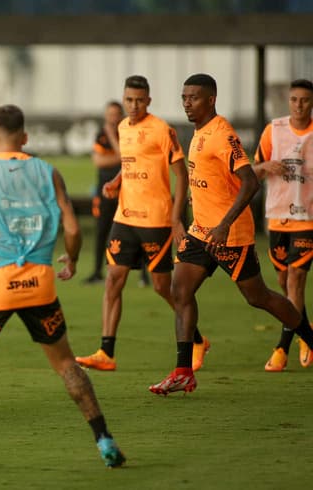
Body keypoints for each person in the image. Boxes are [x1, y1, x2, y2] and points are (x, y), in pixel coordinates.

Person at [0, 104, 125, 472]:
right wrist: (73, 259)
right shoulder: (48, 172)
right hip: (39, 284)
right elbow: (73, 228)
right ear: (26, 138)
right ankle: (104, 440)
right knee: (66, 364)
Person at [149, 73, 313, 395]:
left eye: (193, 97)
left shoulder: (223, 135)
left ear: (210, 99)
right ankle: (183, 371)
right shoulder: (197, 133)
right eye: (184, 97)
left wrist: (224, 224)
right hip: (201, 232)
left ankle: (308, 336)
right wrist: (184, 221)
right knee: (180, 291)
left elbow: (250, 182)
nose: (187, 103)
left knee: (258, 297)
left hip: (230, 233)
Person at [75, 75, 209, 372]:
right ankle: (105, 351)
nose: (133, 105)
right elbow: (130, 163)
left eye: (139, 100)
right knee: (113, 281)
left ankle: (197, 338)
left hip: (156, 220)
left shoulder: (162, 130)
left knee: (164, 288)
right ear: (124, 101)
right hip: (124, 217)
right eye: (129, 100)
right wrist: (116, 180)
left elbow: (181, 175)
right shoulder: (122, 128)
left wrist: (176, 220)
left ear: (148, 100)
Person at [254, 78, 313, 372]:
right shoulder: (273, 131)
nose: (299, 105)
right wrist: (265, 167)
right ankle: (304, 328)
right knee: (283, 284)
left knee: (295, 280)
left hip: (308, 220)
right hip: (277, 217)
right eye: (294, 100)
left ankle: (282, 348)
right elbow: (252, 172)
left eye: (304, 100)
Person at [83, 101, 150, 287]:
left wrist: (114, 144)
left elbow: (127, 156)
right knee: (102, 230)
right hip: (104, 191)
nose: (112, 118)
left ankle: (144, 275)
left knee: (138, 232)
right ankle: (97, 272)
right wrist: (120, 158)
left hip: (129, 190)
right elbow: (99, 161)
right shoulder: (100, 134)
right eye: (109, 114)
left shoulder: (129, 131)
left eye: (115, 114)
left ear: (121, 115)